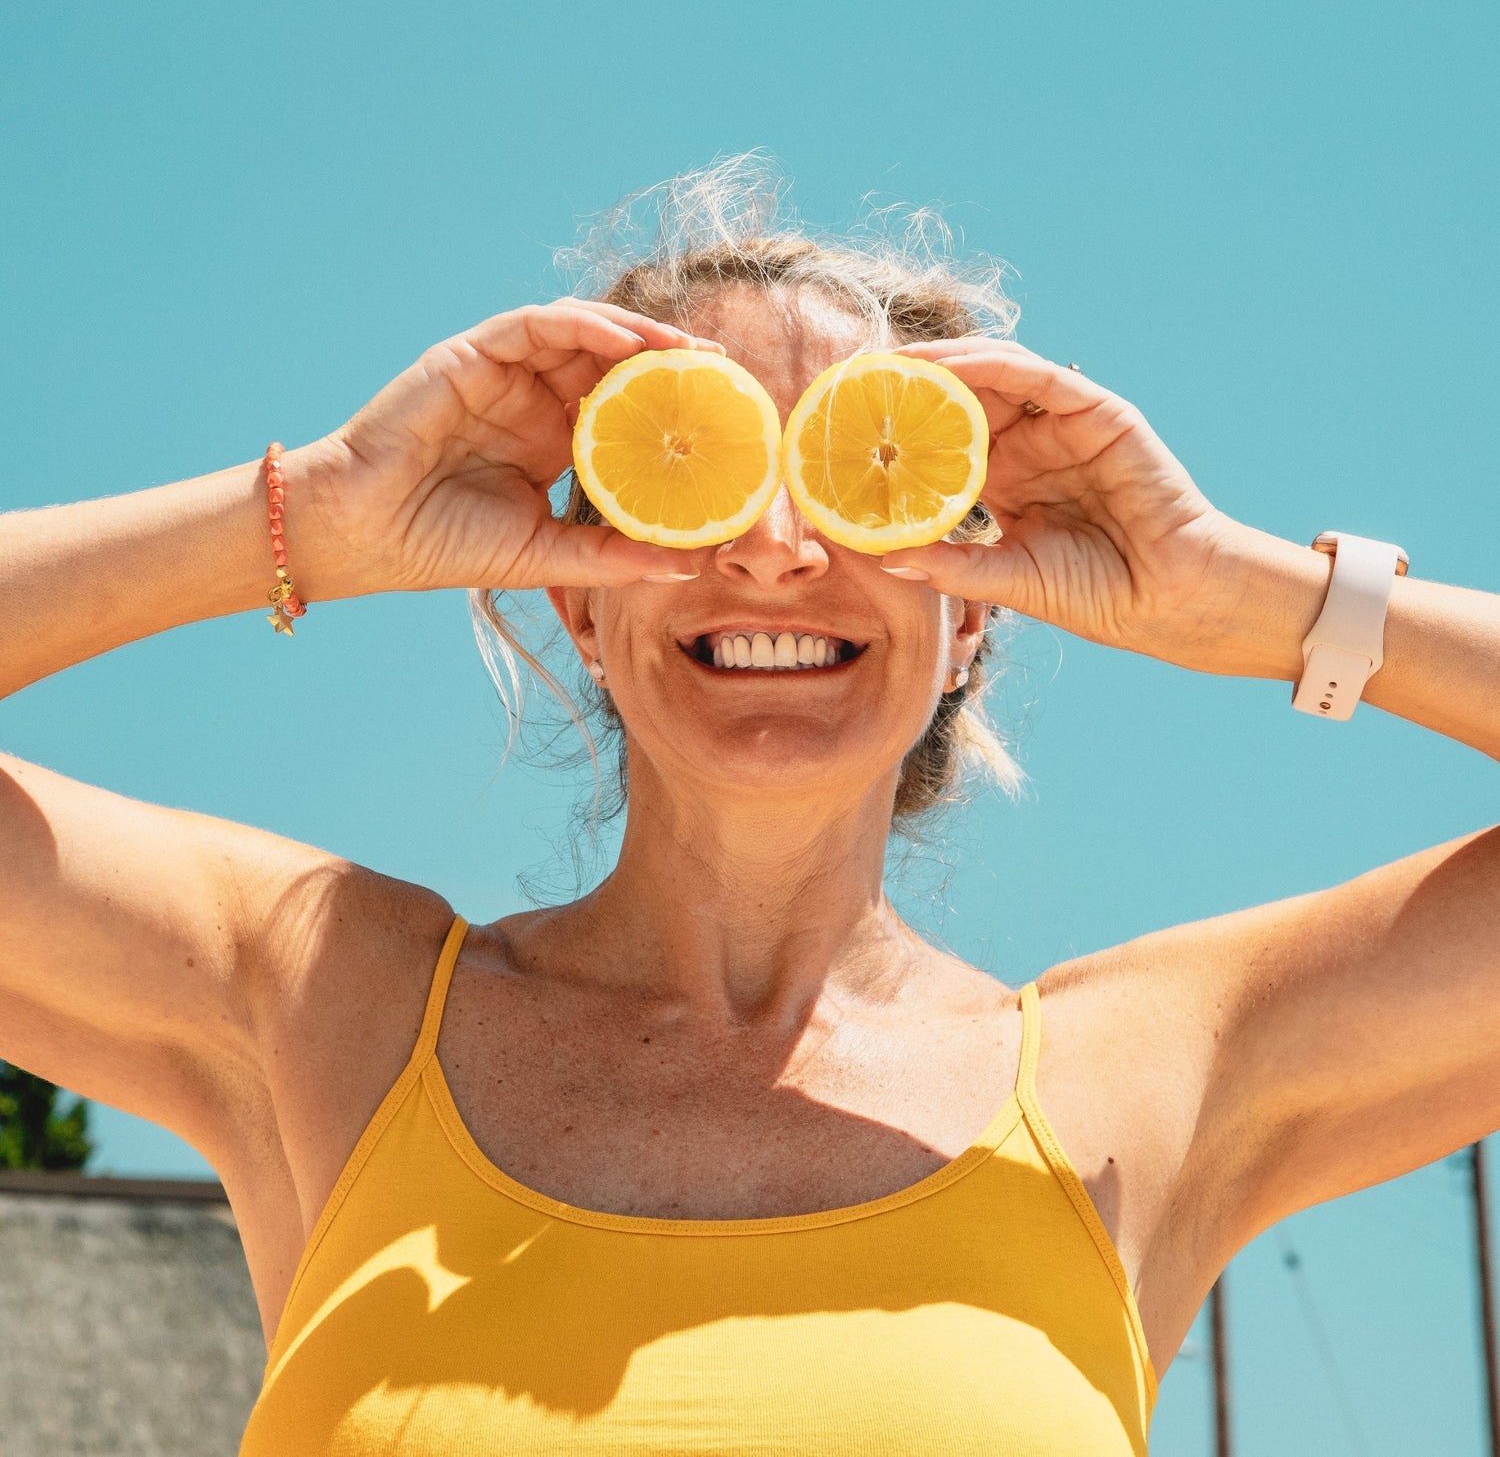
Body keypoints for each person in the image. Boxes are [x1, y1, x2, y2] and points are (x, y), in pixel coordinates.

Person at [2, 162, 1497, 1457]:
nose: (777, 549)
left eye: (866, 481)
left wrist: (1253, 594)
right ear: (578, 604)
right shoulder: (328, 1003)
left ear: (974, 613)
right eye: (692, 475)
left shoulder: (1158, 1073)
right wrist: (314, 514)